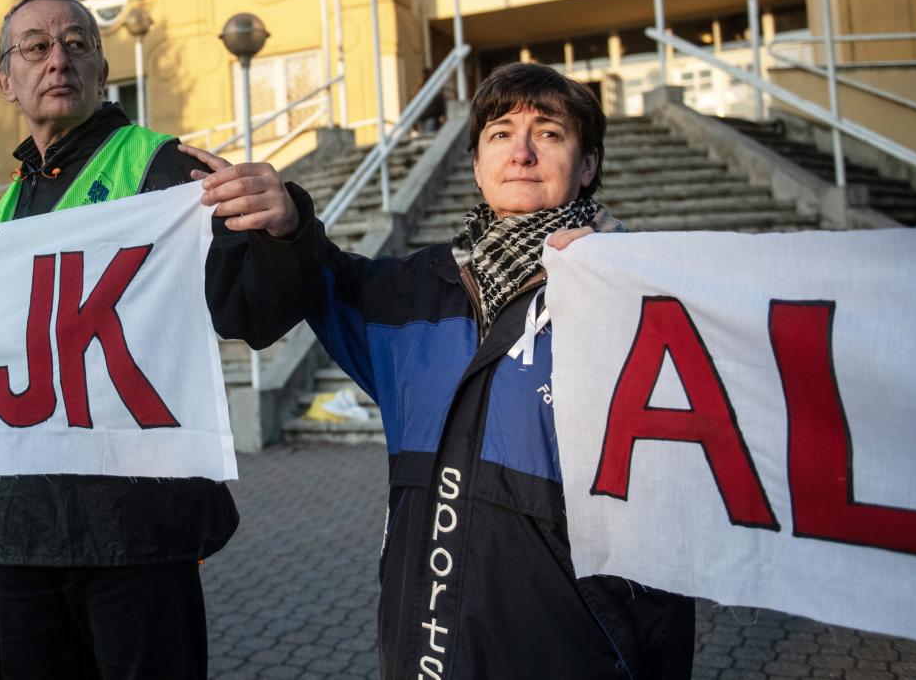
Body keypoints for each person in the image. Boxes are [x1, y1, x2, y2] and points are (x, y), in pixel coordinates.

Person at [200, 62, 696, 678]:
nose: (521, 152)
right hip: (425, 650)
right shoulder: (409, 293)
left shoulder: (644, 295)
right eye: (499, 134)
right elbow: (317, 276)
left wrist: (618, 266)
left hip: (578, 649)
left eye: (548, 133)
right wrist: (288, 223)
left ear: (588, 165)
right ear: (476, 164)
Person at [0, 0, 238, 679]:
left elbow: (250, 308)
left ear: (102, 70)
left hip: (134, 528)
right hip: (23, 529)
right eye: (35, 47)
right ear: (7, 80)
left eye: (78, 44)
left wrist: (283, 225)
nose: (57, 59)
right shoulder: (2, 207)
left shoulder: (164, 169)